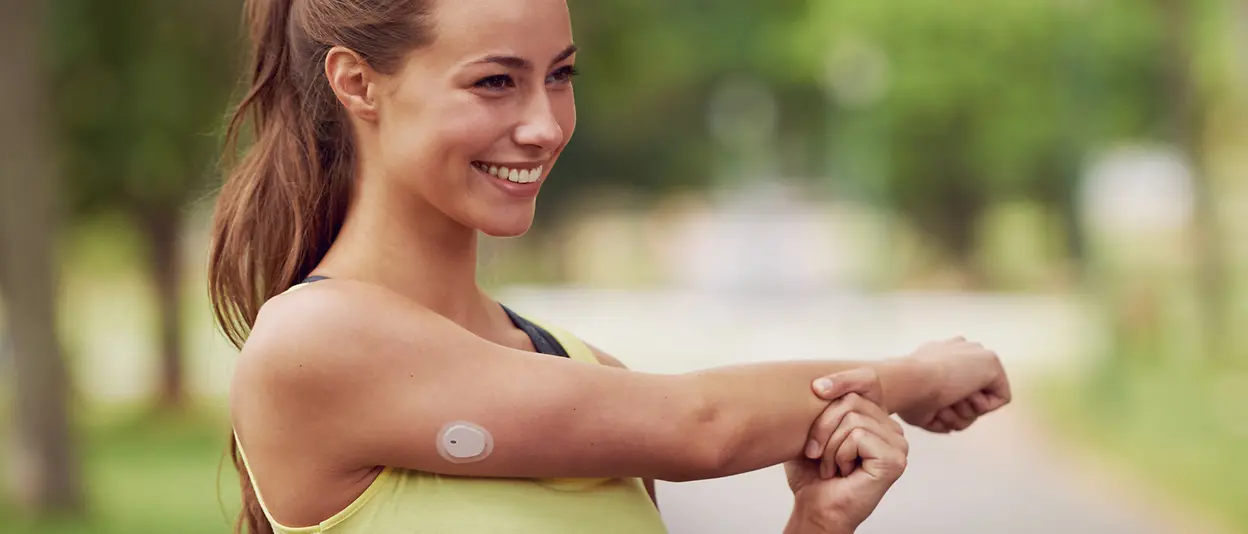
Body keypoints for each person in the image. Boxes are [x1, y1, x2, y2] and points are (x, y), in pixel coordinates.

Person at [209, 0, 1012, 532]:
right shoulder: (314, 342)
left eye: (560, 77)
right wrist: (918, 376)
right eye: (496, 82)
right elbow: (705, 427)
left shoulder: (584, 367)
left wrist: (815, 527)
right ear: (357, 83)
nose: (545, 126)